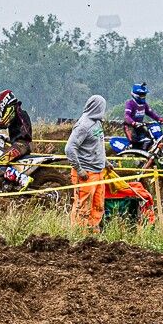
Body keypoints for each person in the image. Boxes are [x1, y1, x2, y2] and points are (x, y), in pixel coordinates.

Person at [65, 95, 108, 229]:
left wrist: (105, 162)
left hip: (98, 172)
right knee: (82, 206)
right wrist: (79, 170)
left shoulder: (97, 123)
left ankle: (92, 232)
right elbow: (69, 148)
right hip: (86, 173)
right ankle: (79, 233)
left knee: (98, 206)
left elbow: (98, 145)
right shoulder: (83, 125)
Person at [0, 89, 33, 183]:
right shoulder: (18, 110)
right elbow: (19, 131)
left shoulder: (12, 108)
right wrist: (4, 138)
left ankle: (23, 180)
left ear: (4, 102)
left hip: (20, 145)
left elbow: (4, 124)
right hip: (21, 144)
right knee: (3, 162)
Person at [123, 82, 163, 152]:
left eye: (144, 95)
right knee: (135, 141)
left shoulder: (144, 104)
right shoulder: (130, 103)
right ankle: (133, 152)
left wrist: (159, 119)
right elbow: (126, 116)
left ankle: (146, 153)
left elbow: (150, 113)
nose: (143, 96)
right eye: (141, 95)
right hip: (130, 126)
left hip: (140, 126)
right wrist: (133, 122)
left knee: (149, 139)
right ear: (135, 95)